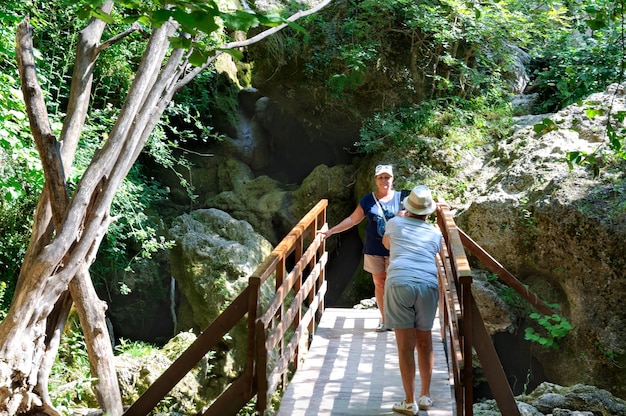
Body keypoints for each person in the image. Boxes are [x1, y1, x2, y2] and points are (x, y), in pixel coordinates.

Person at [319, 164, 409, 332]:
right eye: (381, 177)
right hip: (374, 248)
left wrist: (439, 206)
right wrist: (331, 231)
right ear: (375, 180)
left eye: (387, 177)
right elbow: (353, 220)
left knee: (395, 284)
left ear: (392, 179)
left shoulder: (403, 198)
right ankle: (385, 320)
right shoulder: (368, 200)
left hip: (397, 249)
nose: (384, 180)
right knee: (380, 283)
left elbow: (421, 211)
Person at [382, 185, 442, 415]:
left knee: (405, 346)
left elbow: (387, 245)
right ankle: (425, 396)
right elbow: (433, 251)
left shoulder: (395, 223)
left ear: (407, 208)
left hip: (400, 281)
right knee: (424, 341)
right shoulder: (435, 233)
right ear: (428, 212)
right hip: (428, 284)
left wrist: (398, 218)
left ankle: (409, 401)